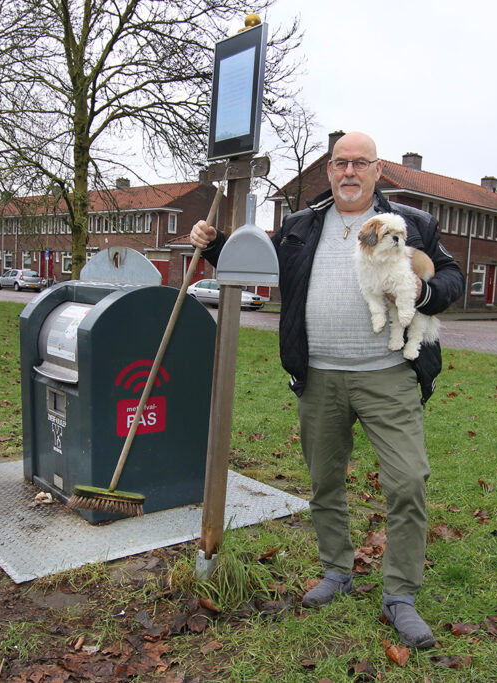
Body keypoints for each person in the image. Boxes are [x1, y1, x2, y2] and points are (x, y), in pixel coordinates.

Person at [191, 132, 464, 649]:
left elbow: (451, 279)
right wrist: (216, 245)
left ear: (378, 170)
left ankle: (400, 596)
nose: (350, 172)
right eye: (341, 163)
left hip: (388, 374)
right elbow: (260, 267)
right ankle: (337, 571)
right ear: (330, 170)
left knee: (407, 481)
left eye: (361, 163)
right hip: (319, 375)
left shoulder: (412, 224)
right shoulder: (300, 224)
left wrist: (425, 292)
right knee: (324, 481)